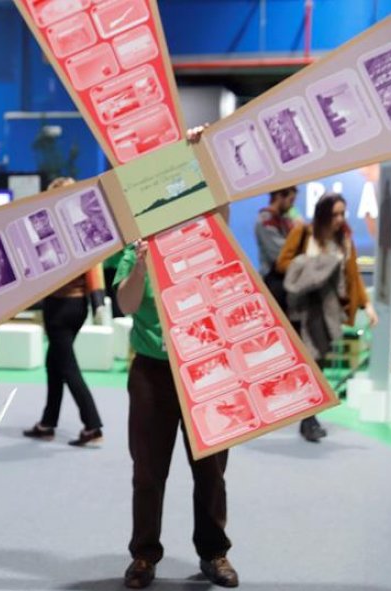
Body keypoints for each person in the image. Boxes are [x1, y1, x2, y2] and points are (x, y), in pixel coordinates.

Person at [115, 238, 239, 589]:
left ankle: (214, 552)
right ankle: (144, 554)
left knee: (212, 470)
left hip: (207, 369)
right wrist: (140, 266)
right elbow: (126, 304)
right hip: (152, 373)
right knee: (148, 472)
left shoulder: (210, 242)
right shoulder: (136, 248)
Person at [275, 192, 378, 442]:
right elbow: (282, 263)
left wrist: (366, 305)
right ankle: (307, 419)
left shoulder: (345, 240)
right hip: (302, 309)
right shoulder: (303, 233)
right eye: (335, 214)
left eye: (343, 213)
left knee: (317, 366)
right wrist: (315, 267)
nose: (340, 219)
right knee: (309, 365)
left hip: (329, 312)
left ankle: (309, 418)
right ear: (323, 214)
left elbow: (352, 276)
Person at [23, 177, 105, 447]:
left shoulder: (50, 232)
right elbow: (95, 269)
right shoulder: (82, 228)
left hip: (59, 306)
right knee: (54, 364)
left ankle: (93, 426)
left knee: (67, 367)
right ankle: (48, 423)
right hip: (78, 306)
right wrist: (98, 303)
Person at [255, 186, 302, 311]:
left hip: (288, 280)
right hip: (274, 281)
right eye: (291, 201)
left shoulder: (286, 220)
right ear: (279, 196)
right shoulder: (266, 220)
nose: (292, 206)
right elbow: (279, 254)